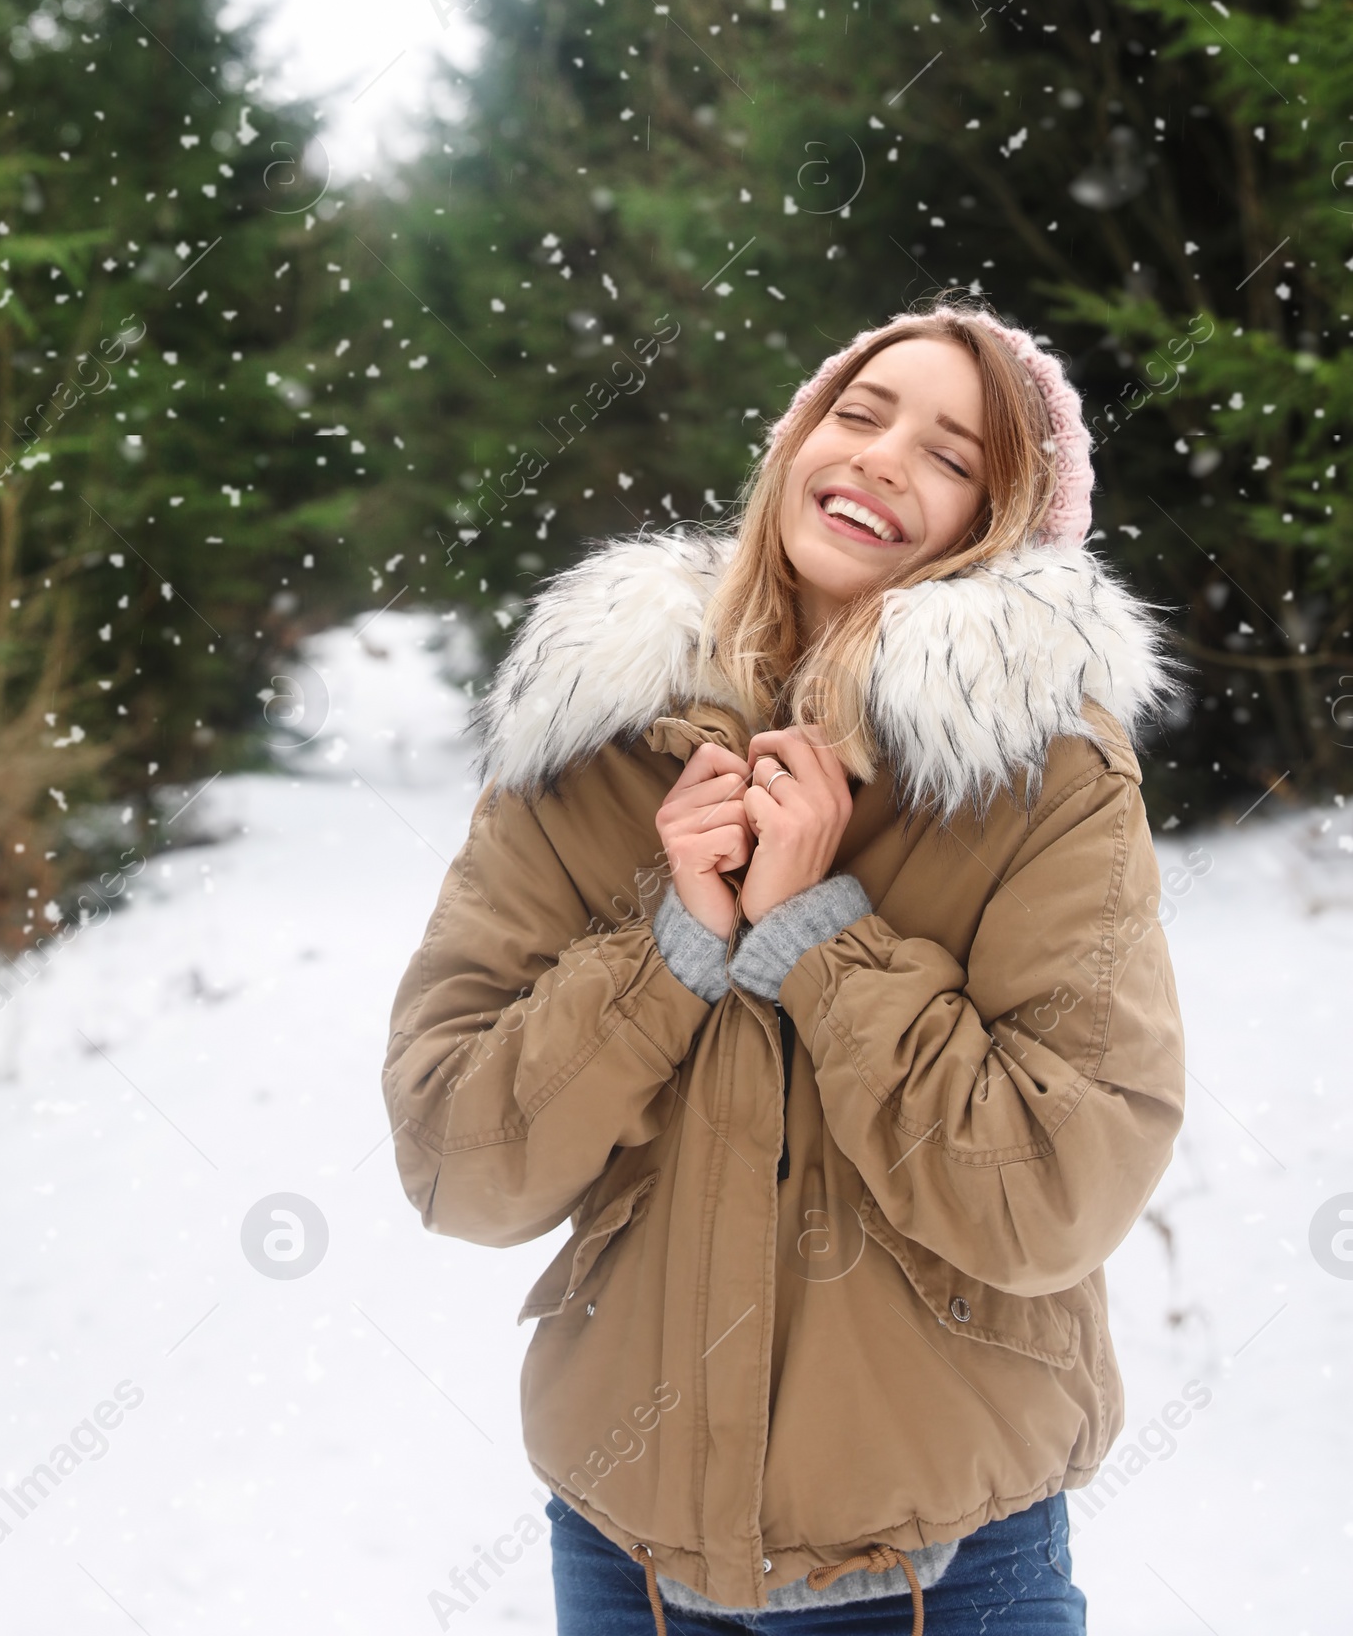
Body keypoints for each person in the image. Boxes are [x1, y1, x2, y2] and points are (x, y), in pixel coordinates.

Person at [384, 303, 1184, 1634]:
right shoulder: (592, 742)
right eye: (859, 415)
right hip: (622, 1560)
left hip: (941, 1570)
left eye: (950, 456)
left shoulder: (1049, 783)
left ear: (1002, 527)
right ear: (794, 446)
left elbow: (1056, 1192)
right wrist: (672, 953)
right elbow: (457, 1162)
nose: (880, 459)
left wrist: (823, 936)